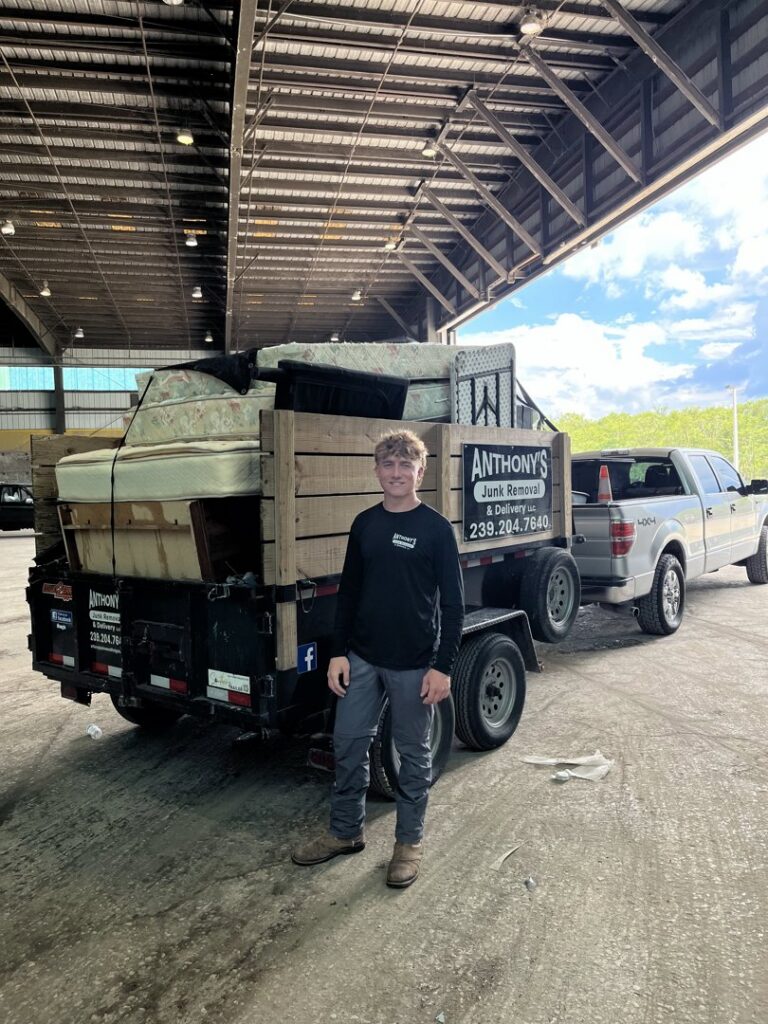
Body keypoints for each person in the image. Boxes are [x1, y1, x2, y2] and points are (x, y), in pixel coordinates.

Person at [291, 429, 464, 888]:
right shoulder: (366, 523)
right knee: (348, 745)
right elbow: (348, 594)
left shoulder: (435, 530)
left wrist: (442, 666)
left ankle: (409, 844)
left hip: (413, 664)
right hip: (362, 659)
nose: (396, 473)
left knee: (412, 755)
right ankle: (346, 833)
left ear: (420, 472)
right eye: (388, 465)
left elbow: (453, 606)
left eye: (405, 465)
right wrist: (338, 654)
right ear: (377, 471)